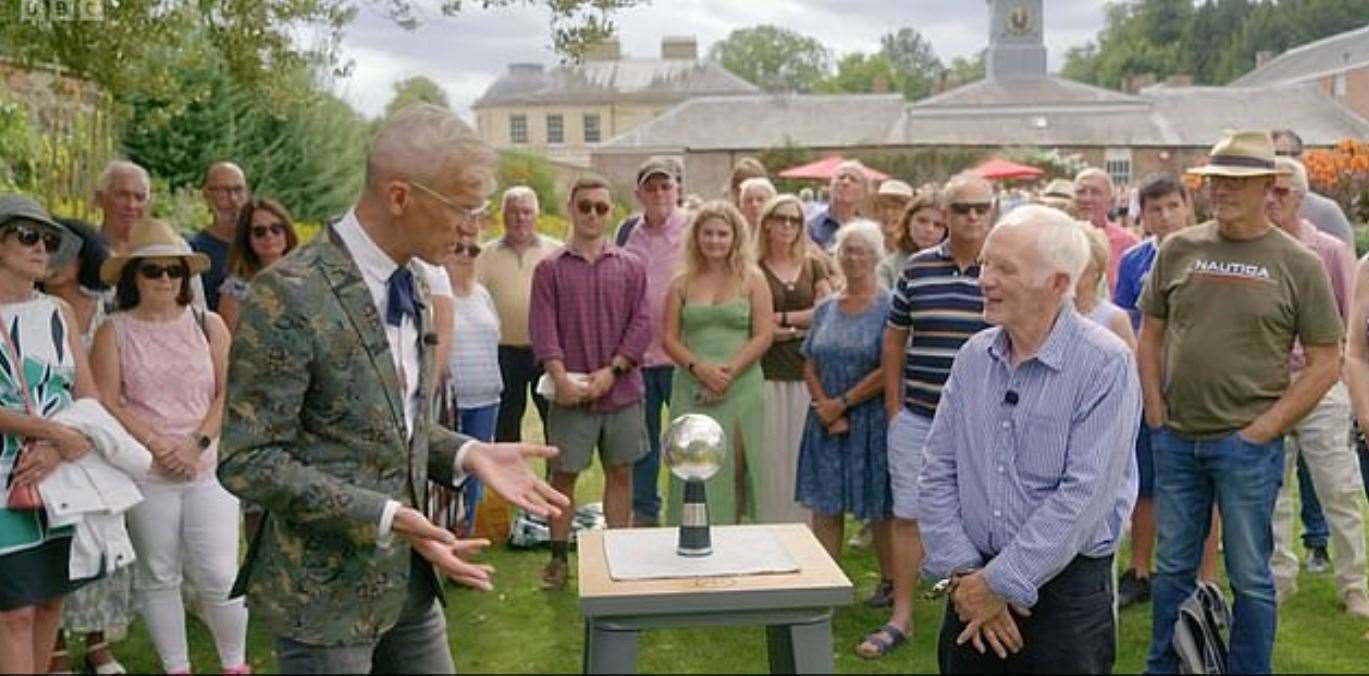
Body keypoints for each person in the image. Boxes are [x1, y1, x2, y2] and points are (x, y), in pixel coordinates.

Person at [217, 104, 569, 674]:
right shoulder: (289, 293)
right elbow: (249, 461)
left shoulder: (419, 285)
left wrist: (468, 452)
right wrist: (386, 515)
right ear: (399, 196)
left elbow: (386, 424)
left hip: (409, 580)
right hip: (324, 600)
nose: (472, 229)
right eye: (463, 208)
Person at [1139, 131, 1343, 675]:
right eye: (1214, 181)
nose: (1220, 191)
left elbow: (1327, 360)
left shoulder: (1298, 263)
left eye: (1234, 182)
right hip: (1177, 438)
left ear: (1266, 188)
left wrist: (1265, 427)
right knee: (1173, 566)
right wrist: (1155, 411)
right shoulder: (1180, 248)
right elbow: (1150, 335)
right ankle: (1164, 667)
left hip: (1247, 448)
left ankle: (1249, 669)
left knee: (1252, 573)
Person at [920, 204, 1139, 674]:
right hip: (971, 582)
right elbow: (937, 469)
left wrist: (1000, 584)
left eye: (1004, 268)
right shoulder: (973, 357)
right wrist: (965, 576)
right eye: (984, 264)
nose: (984, 279)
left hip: (1066, 599)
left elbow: (1085, 495)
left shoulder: (1105, 364)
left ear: (1058, 283)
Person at [89, 217, 247, 675]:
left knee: (219, 573)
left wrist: (195, 444)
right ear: (132, 277)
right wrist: (159, 445)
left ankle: (235, 665)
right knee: (159, 574)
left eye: (173, 270)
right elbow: (107, 399)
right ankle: (176, 668)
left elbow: (228, 390)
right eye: (152, 270)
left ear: (185, 276)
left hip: (206, 464)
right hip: (147, 469)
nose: (164, 279)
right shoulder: (113, 331)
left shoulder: (208, 324)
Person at [874, 172, 994, 659]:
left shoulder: (1004, 268)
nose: (971, 217)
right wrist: (893, 405)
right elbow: (894, 338)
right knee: (908, 515)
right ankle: (901, 615)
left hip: (984, 421)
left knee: (983, 517)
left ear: (992, 212)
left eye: (980, 208)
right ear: (944, 214)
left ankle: (981, 605)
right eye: (961, 208)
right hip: (919, 414)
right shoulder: (917, 269)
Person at [528, 175, 650, 591]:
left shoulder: (631, 266)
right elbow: (543, 329)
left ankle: (617, 555)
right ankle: (559, 558)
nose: (594, 214)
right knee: (562, 476)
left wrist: (612, 371)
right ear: (571, 210)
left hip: (622, 391)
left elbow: (641, 324)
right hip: (570, 394)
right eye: (585, 207)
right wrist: (559, 378)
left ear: (611, 211)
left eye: (601, 207)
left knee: (621, 473)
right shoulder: (550, 269)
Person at [1110, 173, 1222, 608]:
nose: (1166, 215)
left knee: (1204, 481)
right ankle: (1141, 569)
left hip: (1200, 384)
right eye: (1155, 209)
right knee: (1144, 481)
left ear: (1188, 207)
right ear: (1145, 214)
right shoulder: (1137, 260)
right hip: (1147, 382)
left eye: (1173, 206)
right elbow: (1125, 321)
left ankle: (1206, 575)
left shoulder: (1211, 255)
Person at [1264, 157, 1368, 616]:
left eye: (1282, 191)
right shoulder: (1253, 250)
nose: (1271, 198)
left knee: (1339, 488)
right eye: (1267, 189)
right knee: (1271, 488)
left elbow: (1351, 324)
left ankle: (1355, 585)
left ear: (1302, 199)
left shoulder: (1327, 250)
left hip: (1321, 380)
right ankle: (1277, 578)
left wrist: (1344, 383)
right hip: (1265, 383)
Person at [0, 196, 98, 676]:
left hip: (58, 478)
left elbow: (88, 397)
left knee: (48, 604)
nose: (42, 248)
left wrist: (59, 446)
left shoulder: (58, 310)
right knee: (13, 612)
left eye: (50, 240)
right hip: (4, 478)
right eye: (28, 235)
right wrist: (47, 431)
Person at [792, 220, 895, 657]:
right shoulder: (827, 308)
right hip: (825, 421)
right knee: (825, 504)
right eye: (847, 250)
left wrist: (845, 403)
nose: (853, 258)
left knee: (880, 507)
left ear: (876, 257)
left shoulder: (890, 307)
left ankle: (891, 582)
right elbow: (809, 361)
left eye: (862, 251)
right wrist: (825, 407)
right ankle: (825, 580)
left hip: (868, 419)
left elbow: (889, 367)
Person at [38, 218, 130, 675]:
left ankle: (98, 642)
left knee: (105, 541)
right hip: (42, 438)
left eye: (62, 251)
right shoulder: (29, 308)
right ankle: (53, 645)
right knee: (55, 539)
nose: (52, 261)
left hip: (102, 436)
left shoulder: (109, 307)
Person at [663, 200, 773, 525]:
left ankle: (735, 540)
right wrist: (700, 370)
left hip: (741, 385)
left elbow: (763, 334)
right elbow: (668, 339)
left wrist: (727, 373)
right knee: (691, 466)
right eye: (707, 233)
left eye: (722, 234)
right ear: (696, 237)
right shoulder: (681, 282)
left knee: (736, 466)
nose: (714, 241)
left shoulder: (753, 279)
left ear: (735, 237)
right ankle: (691, 535)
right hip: (691, 384)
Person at [620, 158, 690, 528]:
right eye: (652, 187)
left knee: (685, 440)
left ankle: (687, 509)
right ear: (639, 193)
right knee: (642, 445)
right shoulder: (628, 233)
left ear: (677, 190)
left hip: (682, 356)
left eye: (666, 186)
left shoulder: (694, 228)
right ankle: (646, 512)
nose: (660, 193)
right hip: (640, 359)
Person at [756, 194, 833, 524]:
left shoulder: (813, 264)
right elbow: (753, 323)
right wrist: (800, 325)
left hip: (806, 374)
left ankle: (802, 528)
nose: (787, 226)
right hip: (766, 373)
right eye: (781, 218)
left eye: (795, 220)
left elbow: (827, 312)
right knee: (771, 454)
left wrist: (784, 321)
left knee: (802, 453)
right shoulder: (753, 269)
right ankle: (770, 524)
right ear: (767, 224)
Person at [476, 187, 561, 444]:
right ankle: (507, 481)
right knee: (506, 423)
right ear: (503, 216)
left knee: (554, 423)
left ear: (536, 215)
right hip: (503, 353)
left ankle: (555, 480)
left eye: (526, 212)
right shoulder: (485, 255)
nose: (520, 218)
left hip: (545, 352)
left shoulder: (555, 252)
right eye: (513, 212)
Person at [439, 210, 502, 538]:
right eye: (458, 248)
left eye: (473, 249)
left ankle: (468, 537)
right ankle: (444, 540)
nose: (465, 255)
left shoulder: (482, 295)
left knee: (476, 476)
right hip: (452, 400)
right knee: (447, 476)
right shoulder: (437, 295)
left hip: (486, 399)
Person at [218, 198, 300, 331]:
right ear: (246, 238)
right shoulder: (234, 289)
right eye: (259, 231)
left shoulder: (307, 277)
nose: (269, 236)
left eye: (276, 229)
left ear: (287, 232)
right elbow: (229, 342)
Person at [1271, 128, 1355, 248]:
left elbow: (1346, 260)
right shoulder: (1254, 208)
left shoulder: (1326, 212)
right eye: (1268, 154)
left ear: (1300, 157)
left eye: (1279, 154)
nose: (1275, 161)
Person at [190, 162, 251, 311]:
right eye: (223, 191)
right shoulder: (193, 250)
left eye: (238, 189)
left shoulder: (264, 242)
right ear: (206, 194)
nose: (233, 199)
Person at [1073, 167, 1139, 294]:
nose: (1087, 198)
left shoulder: (1129, 245)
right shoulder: (1057, 238)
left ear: (1111, 201)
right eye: (1081, 192)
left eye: (1096, 192)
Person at [1074, 225, 1135, 350]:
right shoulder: (1051, 313)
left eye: (1080, 263)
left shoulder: (1115, 319)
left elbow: (1130, 365)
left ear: (1096, 269)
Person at [875, 192, 945, 289]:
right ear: (908, 221)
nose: (929, 229)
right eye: (922, 221)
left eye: (938, 225)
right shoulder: (888, 268)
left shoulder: (957, 266)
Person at [807, 160, 869, 251]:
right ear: (830, 186)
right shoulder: (811, 227)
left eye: (853, 179)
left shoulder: (868, 230)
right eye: (841, 177)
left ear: (862, 192)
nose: (845, 182)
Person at [93, 160, 152, 255]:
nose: (131, 205)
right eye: (122, 195)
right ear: (100, 198)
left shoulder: (161, 253)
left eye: (139, 197)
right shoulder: (81, 253)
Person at [872, 179, 914, 251]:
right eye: (884, 207)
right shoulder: (868, 238)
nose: (889, 213)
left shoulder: (916, 242)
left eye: (895, 208)